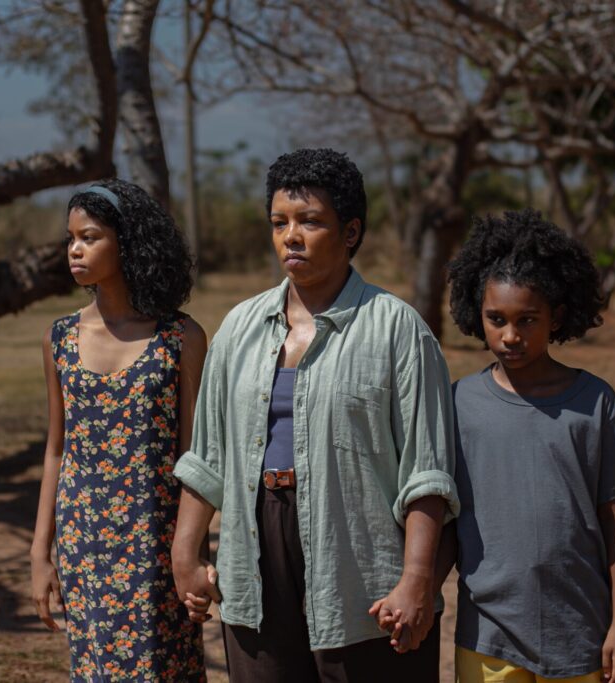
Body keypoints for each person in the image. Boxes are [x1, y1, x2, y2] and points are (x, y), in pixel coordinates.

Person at [171, 148, 459, 682]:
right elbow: (207, 455)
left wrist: (417, 580)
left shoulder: (397, 330)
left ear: (351, 232)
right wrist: (185, 551)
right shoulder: (240, 327)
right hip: (255, 551)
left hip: (360, 562)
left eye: (310, 221)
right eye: (279, 222)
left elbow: (427, 472)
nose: (291, 237)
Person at [441, 209, 615, 683]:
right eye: (497, 319)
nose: (510, 335)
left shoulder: (595, 402)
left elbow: (613, 516)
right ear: (477, 313)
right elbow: (447, 517)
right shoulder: (460, 403)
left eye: (527, 320)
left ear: (556, 316)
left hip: (577, 626)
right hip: (488, 633)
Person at [29, 179, 207, 681]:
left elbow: (196, 457)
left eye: (89, 237)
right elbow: (56, 450)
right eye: (71, 239)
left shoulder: (180, 337)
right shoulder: (59, 338)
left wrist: (193, 554)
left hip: (158, 540)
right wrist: (40, 552)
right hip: (83, 541)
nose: (75, 249)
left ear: (127, 242)